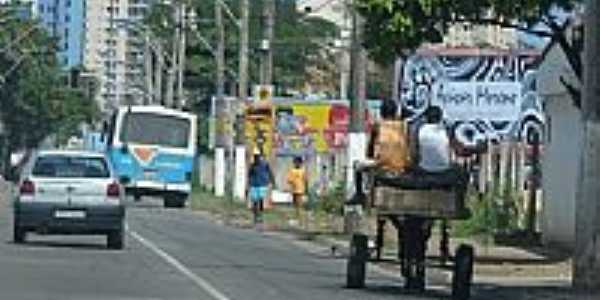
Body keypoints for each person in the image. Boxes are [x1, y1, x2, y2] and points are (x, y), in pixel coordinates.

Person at [247, 149, 275, 225]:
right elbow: (249, 175)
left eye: (257, 156)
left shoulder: (265, 164)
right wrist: (248, 184)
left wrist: (272, 181)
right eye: (255, 156)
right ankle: (256, 216)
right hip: (254, 185)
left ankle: (260, 215)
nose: (256, 158)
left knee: (261, 200)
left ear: (260, 156)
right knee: (255, 201)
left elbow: (270, 172)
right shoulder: (252, 165)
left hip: (262, 184)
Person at [287, 156, 307, 223]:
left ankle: (299, 217)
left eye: (298, 163)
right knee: (295, 204)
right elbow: (289, 180)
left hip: (300, 189)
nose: (297, 164)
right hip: (294, 189)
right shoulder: (292, 170)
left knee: (299, 204)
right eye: (295, 162)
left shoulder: (303, 171)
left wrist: (306, 188)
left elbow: (305, 179)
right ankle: (296, 216)